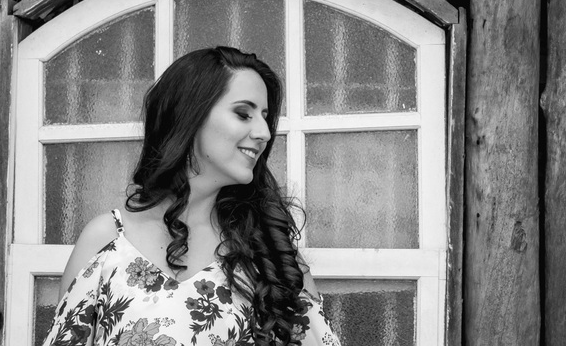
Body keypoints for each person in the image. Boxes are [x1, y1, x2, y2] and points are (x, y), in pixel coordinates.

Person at [41, 47, 341, 346]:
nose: (264, 132)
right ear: (190, 116)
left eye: (265, 117)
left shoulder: (270, 252)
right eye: (243, 114)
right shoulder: (107, 243)